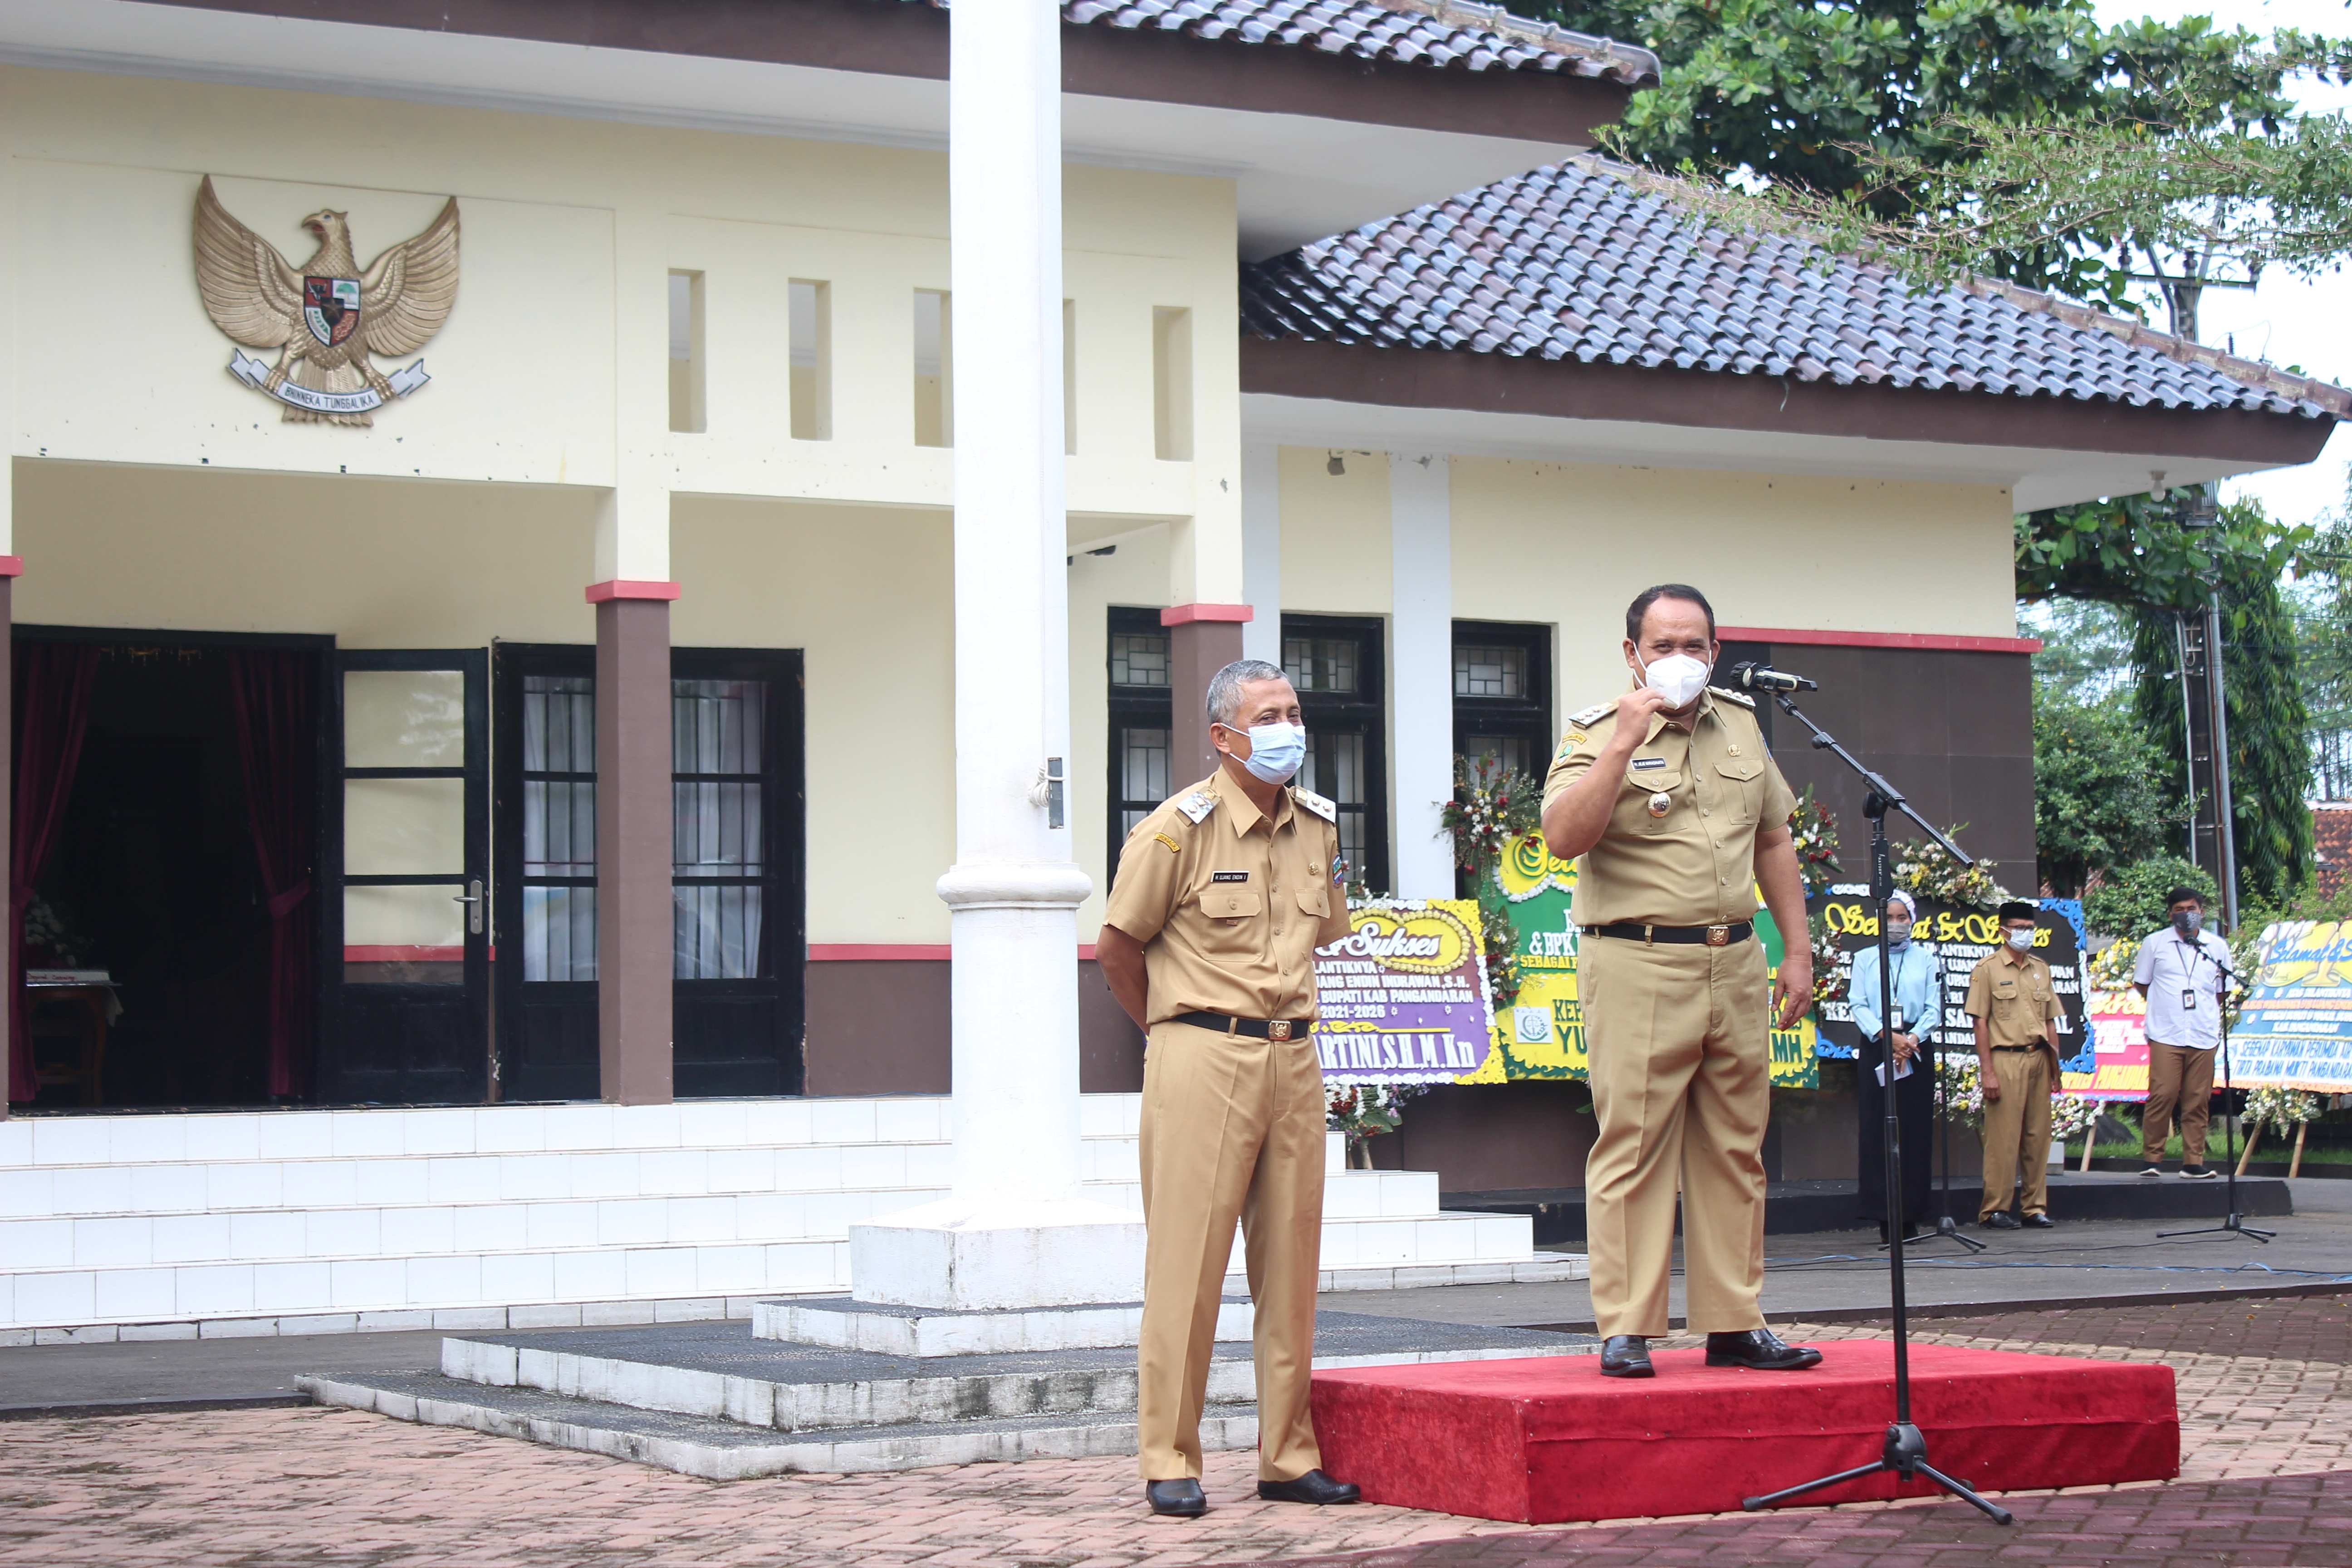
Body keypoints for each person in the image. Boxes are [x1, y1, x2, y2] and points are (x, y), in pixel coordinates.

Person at [1096, 658, 1360, 1519]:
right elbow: (1117, 946)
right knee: (1188, 1267)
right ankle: (1168, 1455)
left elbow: (1322, 935)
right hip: (1202, 1054)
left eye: (1293, 709)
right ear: (1223, 736)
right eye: (1269, 714)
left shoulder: (1317, 826)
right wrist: (1171, 1033)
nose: (1289, 726)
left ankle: (1287, 1455)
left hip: (1294, 1055)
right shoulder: (1178, 829)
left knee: (1290, 1267)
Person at [1540, 583, 1823, 1381]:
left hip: (1732, 957)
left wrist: (1794, 951)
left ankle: (1733, 1321)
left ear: (1714, 653)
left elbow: (1772, 838)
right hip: (1636, 957)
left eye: (1692, 645)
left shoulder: (1739, 724)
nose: (1677, 659)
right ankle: (1626, 1327)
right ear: (1630, 654)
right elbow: (1562, 837)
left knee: (1735, 1144)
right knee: (1632, 1142)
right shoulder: (1594, 732)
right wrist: (1621, 748)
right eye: (1661, 645)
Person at [1966, 900, 2064, 1229]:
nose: (2025, 934)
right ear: (2003, 930)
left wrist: (2055, 1065)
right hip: (2005, 1058)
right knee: (2004, 1138)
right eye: (2018, 928)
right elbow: (1980, 1023)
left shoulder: (2041, 968)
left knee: (2039, 1136)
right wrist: (1987, 1071)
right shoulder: (1988, 968)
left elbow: (2051, 1020)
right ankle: (1995, 1208)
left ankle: (2034, 1207)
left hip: (2039, 1055)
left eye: (2029, 928)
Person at [1850, 889, 1939, 1240]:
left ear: (1912, 920)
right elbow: (1858, 1005)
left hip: (1916, 1048)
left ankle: (1912, 1216)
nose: (1897, 924)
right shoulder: (1865, 958)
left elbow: (1934, 1007)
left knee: (1915, 1132)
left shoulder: (1927, 959)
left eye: (1903, 918)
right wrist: (1888, 1036)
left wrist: (1912, 1039)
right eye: (1890, 918)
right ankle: (1884, 1218)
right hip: (1879, 1046)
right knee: (1878, 1131)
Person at [2133, 887, 2229, 1179]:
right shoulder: (2155, 943)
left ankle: (2193, 1162)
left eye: (2191, 908)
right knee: (2163, 1094)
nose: (2186, 914)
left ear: (2201, 911)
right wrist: (2168, 1004)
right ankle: (2152, 1159)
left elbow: (2220, 992)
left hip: (2203, 1032)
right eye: (2179, 909)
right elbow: (2142, 984)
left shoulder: (2216, 946)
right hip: (2167, 1031)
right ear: (2170, 913)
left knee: (2197, 1099)